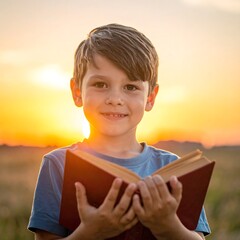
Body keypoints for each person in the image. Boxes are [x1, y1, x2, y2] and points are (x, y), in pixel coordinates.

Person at [28, 23, 211, 240]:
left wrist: (167, 226)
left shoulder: (173, 169)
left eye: (131, 87)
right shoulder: (58, 164)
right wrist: (90, 233)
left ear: (150, 97)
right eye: (100, 84)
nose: (115, 99)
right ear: (77, 91)